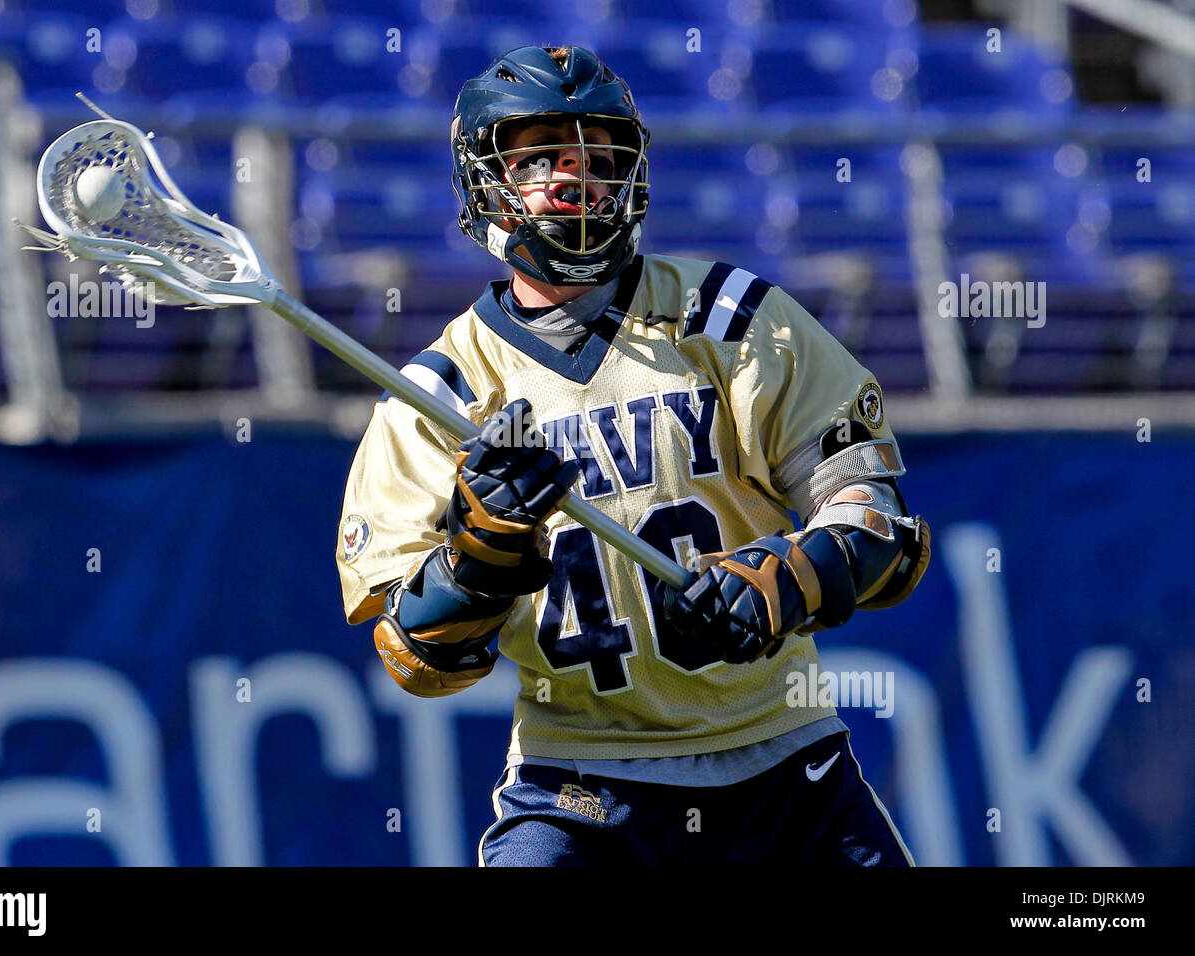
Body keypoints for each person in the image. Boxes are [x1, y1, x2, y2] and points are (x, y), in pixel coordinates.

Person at [336, 45, 931, 866]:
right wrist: (483, 550)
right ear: (485, 180)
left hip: (787, 767)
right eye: (541, 156)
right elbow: (417, 660)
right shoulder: (441, 395)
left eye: (599, 158)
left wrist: (789, 575)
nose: (575, 180)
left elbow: (888, 533)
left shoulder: (732, 320)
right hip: (582, 786)